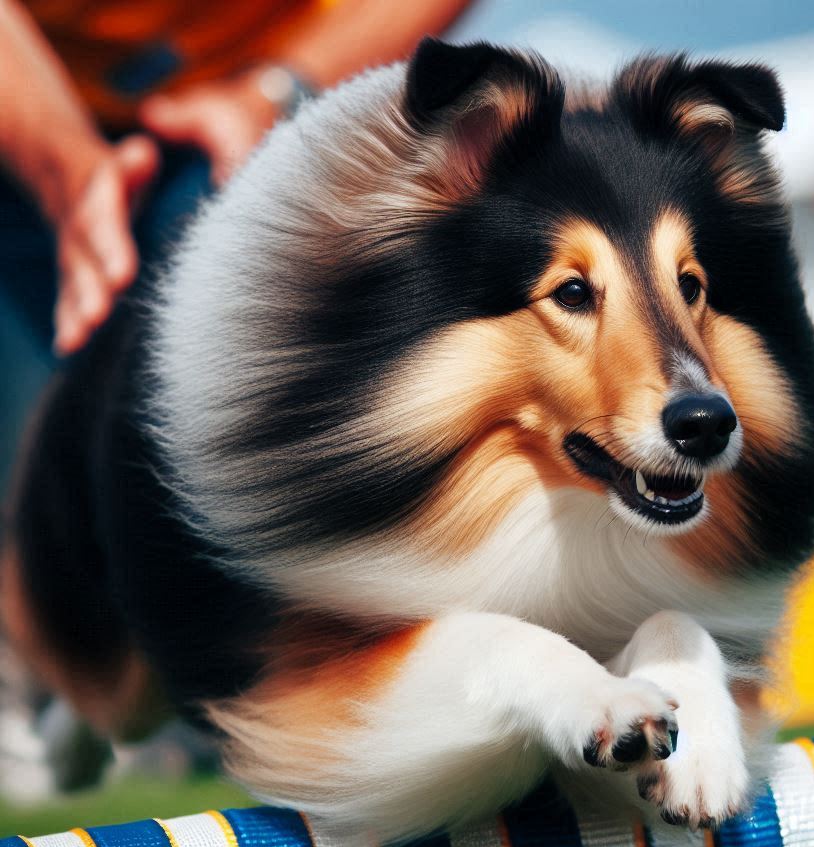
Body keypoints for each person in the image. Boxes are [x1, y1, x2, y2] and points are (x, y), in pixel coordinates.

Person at [0, 0, 473, 485]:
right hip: (28, 108)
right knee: (45, 461)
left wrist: (273, 93)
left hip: (262, 96)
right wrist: (64, 169)